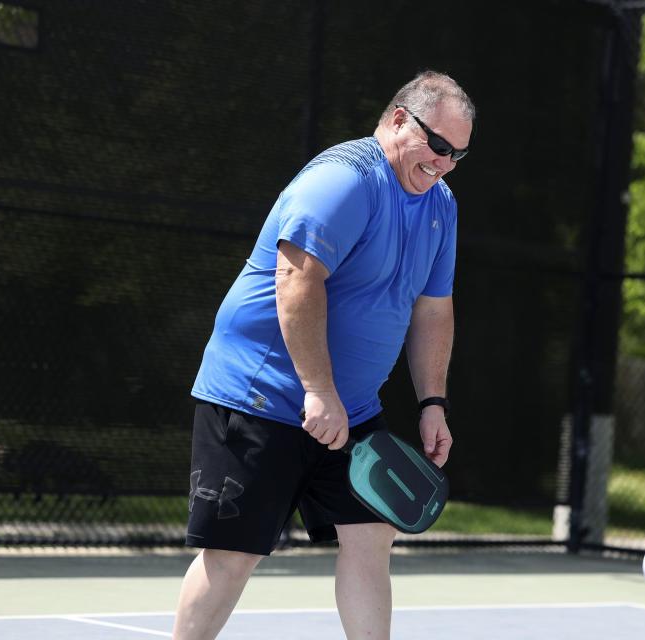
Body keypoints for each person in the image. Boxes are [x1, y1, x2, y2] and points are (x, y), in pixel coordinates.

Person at [171, 70, 475, 640]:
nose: (445, 163)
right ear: (399, 120)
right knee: (234, 554)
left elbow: (433, 308)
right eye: (438, 146)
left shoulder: (441, 205)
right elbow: (296, 280)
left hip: (351, 408)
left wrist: (432, 401)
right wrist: (318, 390)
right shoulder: (344, 180)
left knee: (370, 537)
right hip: (259, 394)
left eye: (459, 153)